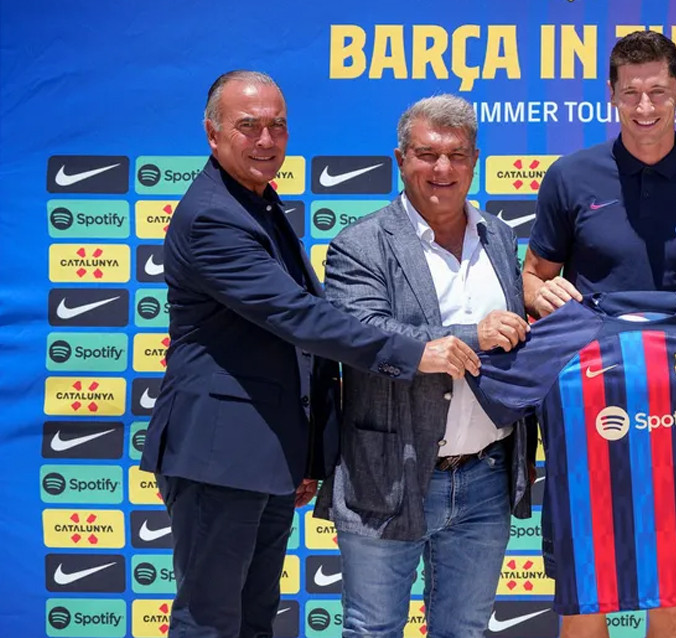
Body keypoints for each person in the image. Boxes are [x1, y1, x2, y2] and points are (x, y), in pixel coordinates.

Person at [139, 71, 479, 638]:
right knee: (209, 620)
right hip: (217, 455)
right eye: (248, 126)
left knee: (251, 618)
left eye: (277, 126)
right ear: (212, 133)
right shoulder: (212, 217)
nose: (266, 140)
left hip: (263, 453)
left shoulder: (258, 204)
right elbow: (301, 320)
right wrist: (416, 351)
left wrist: (306, 455)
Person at [522, 30, 676, 638]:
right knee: (587, 585)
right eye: (631, 93)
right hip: (590, 399)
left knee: (674, 581)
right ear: (612, 95)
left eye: (658, 90)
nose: (645, 106)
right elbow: (533, 278)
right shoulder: (570, 176)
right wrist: (537, 292)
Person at [313, 94, 536, 638]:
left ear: (475, 160)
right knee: (373, 629)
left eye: (457, 155)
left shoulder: (500, 237)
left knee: (465, 629)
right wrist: (468, 336)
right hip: (388, 473)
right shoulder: (361, 243)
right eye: (426, 154)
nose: (442, 169)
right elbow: (360, 333)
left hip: (485, 475)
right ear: (400, 159)